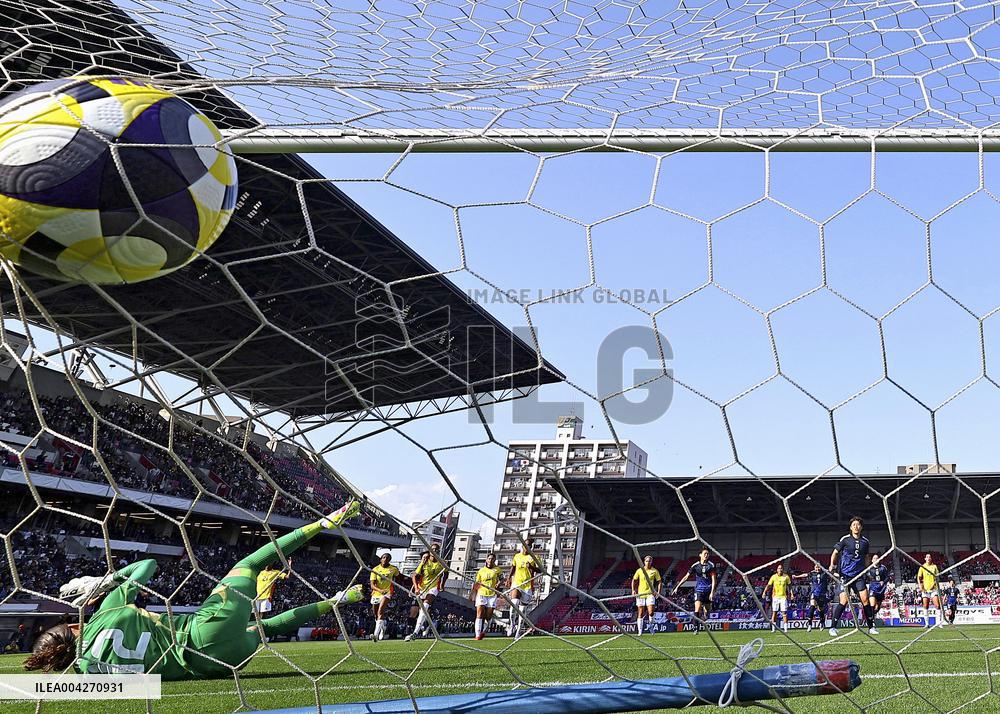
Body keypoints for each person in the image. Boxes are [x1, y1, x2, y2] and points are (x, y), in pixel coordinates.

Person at [24, 501, 364, 678]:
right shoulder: (105, 614)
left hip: (217, 664)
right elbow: (148, 567)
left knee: (265, 628)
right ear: (71, 627)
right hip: (204, 631)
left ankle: (335, 602)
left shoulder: (88, 673)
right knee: (250, 563)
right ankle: (324, 523)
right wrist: (107, 581)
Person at [829, 515, 872, 637]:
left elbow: (867, 557)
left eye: (858, 525)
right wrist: (832, 564)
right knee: (844, 600)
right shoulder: (845, 539)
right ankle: (832, 627)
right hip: (845, 575)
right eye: (854, 525)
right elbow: (835, 552)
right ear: (851, 527)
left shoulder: (865, 542)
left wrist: (868, 569)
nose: (856, 527)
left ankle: (871, 627)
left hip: (859, 575)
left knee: (865, 600)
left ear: (861, 527)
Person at [405, 543, 447, 641]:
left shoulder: (442, 562)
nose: (434, 551)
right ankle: (422, 627)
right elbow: (415, 576)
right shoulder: (424, 562)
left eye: (436, 550)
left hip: (433, 587)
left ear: (439, 551)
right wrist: (415, 588)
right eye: (432, 549)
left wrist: (442, 585)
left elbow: (446, 573)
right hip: (421, 588)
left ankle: (415, 632)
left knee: (425, 606)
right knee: (415, 611)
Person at [670, 547, 716, 635]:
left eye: (708, 554)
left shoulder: (711, 565)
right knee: (697, 608)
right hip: (698, 589)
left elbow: (714, 579)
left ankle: (705, 613)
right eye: (705, 553)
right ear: (700, 555)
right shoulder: (695, 566)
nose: (706, 555)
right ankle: (696, 628)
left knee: (707, 610)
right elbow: (686, 577)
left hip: (708, 589)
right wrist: (677, 587)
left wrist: (712, 592)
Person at [470, 552, 503, 641]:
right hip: (481, 593)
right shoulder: (481, 571)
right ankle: (477, 635)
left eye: (492, 559)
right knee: (479, 614)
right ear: (486, 560)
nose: (490, 560)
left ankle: (484, 630)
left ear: (494, 560)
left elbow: (502, 578)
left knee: (488, 616)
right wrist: (472, 595)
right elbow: (477, 583)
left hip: (492, 594)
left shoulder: (497, 570)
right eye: (489, 558)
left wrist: (499, 583)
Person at [369, 553, 399, 642]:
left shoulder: (393, 569)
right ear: (380, 559)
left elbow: (398, 576)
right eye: (384, 557)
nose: (385, 559)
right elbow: (372, 585)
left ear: (390, 560)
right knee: (375, 614)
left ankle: (375, 635)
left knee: (381, 611)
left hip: (387, 592)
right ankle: (382, 628)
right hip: (376, 593)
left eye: (388, 558)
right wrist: (379, 590)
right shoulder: (375, 569)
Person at [793, 562, 829, 632]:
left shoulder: (825, 572)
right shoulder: (812, 573)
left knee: (820, 609)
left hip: (822, 593)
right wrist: (797, 576)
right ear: (814, 567)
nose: (817, 569)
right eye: (816, 567)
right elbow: (805, 574)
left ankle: (822, 622)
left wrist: (839, 576)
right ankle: (809, 625)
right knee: (812, 606)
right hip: (814, 592)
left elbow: (833, 574)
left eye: (818, 567)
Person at [631, 555, 662, 636]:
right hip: (640, 594)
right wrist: (633, 590)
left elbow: (659, 581)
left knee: (651, 612)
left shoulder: (654, 571)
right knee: (640, 613)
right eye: (647, 561)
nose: (648, 562)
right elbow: (634, 580)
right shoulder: (639, 570)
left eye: (650, 561)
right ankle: (640, 631)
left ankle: (651, 627)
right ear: (644, 562)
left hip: (650, 594)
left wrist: (658, 591)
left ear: (652, 562)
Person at [866, 552, 889, 635]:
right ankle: (871, 625)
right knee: (872, 606)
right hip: (873, 588)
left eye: (877, 558)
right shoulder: (869, 569)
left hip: (881, 589)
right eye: (874, 558)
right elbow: (866, 577)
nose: (876, 560)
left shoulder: (883, 568)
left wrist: (883, 581)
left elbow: (887, 577)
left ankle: (872, 617)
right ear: (872, 560)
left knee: (877, 608)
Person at [763, 564, 792, 633]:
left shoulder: (786, 577)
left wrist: (791, 594)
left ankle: (785, 629)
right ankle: (773, 628)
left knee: (784, 613)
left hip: (783, 597)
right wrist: (764, 592)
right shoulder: (773, 577)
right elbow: (769, 585)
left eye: (781, 568)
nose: (780, 569)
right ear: (777, 570)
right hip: (775, 597)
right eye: (779, 568)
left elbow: (789, 586)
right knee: (774, 613)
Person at [917, 553, 941, 628]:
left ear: (931, 559)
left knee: (937, 605)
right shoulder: (922, 567)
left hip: (933, 589)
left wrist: (934, 584)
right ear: (925, 559)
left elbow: (937, 577)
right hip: (925, 590)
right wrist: (921, 587)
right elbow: (919, 578)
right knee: (925, 606)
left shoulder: (934, 567)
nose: (928, 558)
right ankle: (927, 623)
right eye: (927, 557)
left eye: (930, 557)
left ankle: (939, 623)